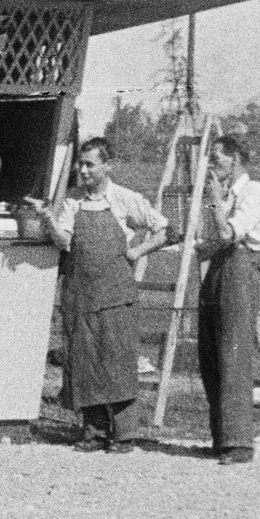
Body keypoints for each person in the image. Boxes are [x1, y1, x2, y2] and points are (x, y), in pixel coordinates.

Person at [28, 138, 169, 452]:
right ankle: (94, 433)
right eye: (81, 163)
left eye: (90, 164)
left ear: (108, 166)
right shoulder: (73, 200)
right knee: (84, 363)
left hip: (116, 296)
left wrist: (138, 251)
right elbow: (65, 241)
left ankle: (124, 435)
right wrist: (48, 218)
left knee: (117, 362)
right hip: (80, 294)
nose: (83, 170)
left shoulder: (124, 198)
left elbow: (164, 228)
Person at [196, 136, 260, 465]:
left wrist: (215, 200)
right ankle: (221, 438)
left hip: (242, 269)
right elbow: (214, 241)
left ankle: (239, 442)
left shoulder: (255, 191)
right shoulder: (226, 195)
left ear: (236, 160)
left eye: (217, 159)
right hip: (218, 268)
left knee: (234, 352)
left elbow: (228, 233)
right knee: (210, 352)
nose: (212, 166)